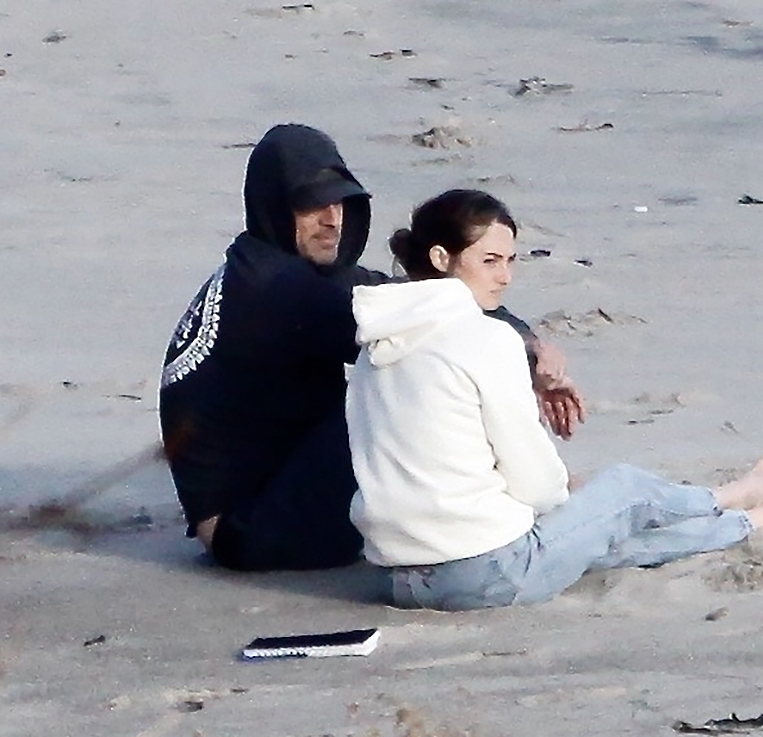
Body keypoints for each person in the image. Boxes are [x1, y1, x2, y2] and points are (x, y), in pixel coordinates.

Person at [345, 189, 763, 610]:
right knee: (623, 489)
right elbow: (539, 486)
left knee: (605, 535)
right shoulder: (486, 337)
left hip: (398, 579)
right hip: (484, 574)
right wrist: (567, 491)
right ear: (442, 258)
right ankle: (727, 499)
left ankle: (757, 520)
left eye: (511, 261)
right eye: (490, 260)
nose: (505, 276)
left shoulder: (376, 345)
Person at [158, 124, 577, 571]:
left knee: (409, 363)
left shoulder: (272, 264)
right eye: (312, 205)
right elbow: (435, 325)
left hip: (263, 495)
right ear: (274, 206)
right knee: (411, 372)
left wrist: (528, 346)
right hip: (246, 531)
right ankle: (490, 514)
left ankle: (486, 503)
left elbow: (410, 298)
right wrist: (521, 357)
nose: (332, 219)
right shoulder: (275, 289)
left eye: (339, 202)